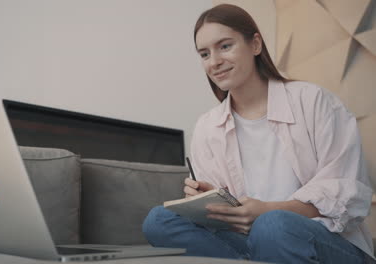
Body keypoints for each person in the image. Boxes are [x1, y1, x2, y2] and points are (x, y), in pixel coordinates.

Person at [142, 4, 375, 263]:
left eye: (225, 46)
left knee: (272, 225)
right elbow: (225, 217)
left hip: (324, 241)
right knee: (159, 220)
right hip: (247, 242)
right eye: (204, 54)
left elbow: (348, 193)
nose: (215, 61)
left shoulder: (314, 101)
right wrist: (206, 200)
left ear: (255, 45)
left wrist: (267, 210)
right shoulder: (208, 126)